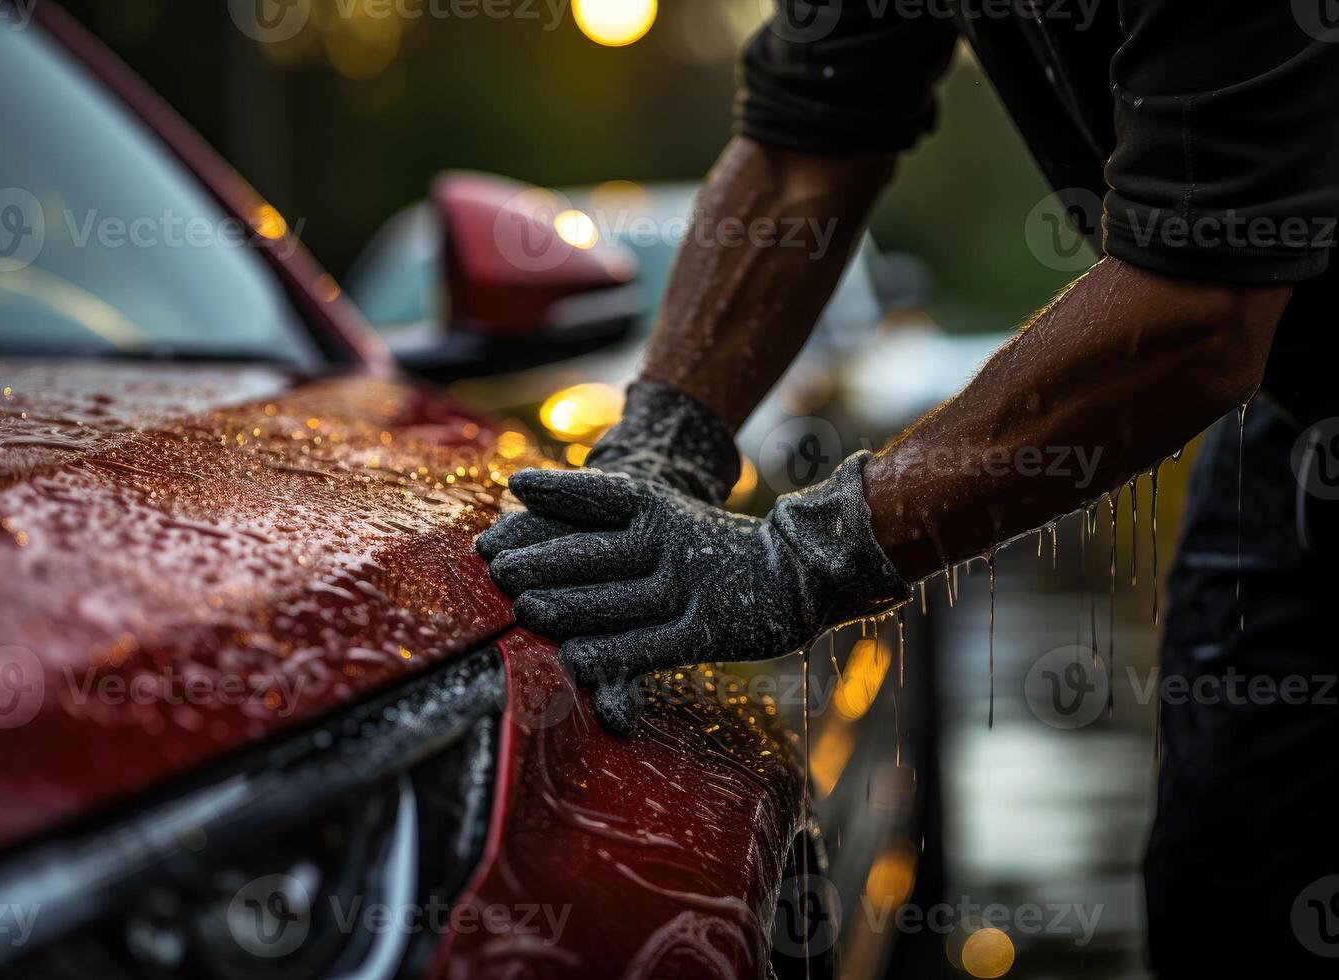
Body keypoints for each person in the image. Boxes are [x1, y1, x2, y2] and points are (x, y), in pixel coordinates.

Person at [478, 0, 1339, 972]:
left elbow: (1200, 302)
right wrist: (657, 443)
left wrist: (800, 559)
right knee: (1233, 874)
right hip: (1296, 424)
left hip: (1260, 351)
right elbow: (803, 146)